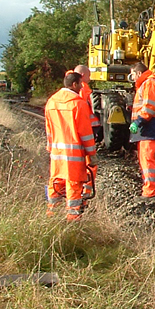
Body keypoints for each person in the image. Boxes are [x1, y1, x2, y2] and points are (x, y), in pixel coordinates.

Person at [45, 71, 97, 221]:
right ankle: (72, 219)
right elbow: (85, 132)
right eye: (80, 84)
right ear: (74, 84)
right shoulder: (78, 103)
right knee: (74, 184)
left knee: (56, 182)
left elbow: (49, 130)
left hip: (56, 153)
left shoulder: (51, 101)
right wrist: (91, 153)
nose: (82, 87)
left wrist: (51, 148)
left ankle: (52, 215)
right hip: (73, 154)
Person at [128, 62, 155, 199]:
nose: (131, 77)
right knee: (145, 159)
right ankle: (151, 188)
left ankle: (151, 191)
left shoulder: (150, 83)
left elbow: (150, 107)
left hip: (149, 126)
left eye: (132, 74)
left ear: (138, 73)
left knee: (147, 159)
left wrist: (138, 121)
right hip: (148, 127)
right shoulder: (147, 84)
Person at [74, 64, 102, 140]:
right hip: (88, 123)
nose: (89, 79)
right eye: (88, 76)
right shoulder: (84, 88)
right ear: (82, 75)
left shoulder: (72, 87)